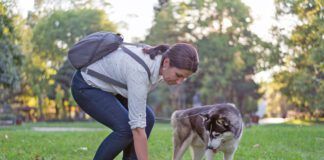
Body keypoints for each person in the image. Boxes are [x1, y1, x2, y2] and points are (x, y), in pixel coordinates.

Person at [71, 43, 199, 160]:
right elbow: (137, 129)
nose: (179, 82)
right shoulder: (140, 72)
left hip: (110, 88)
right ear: (166, 62)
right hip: (86, 86)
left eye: (184, 78)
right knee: (126, 129)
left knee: (148, 118)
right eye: (178, 75)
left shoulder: (158, 61)